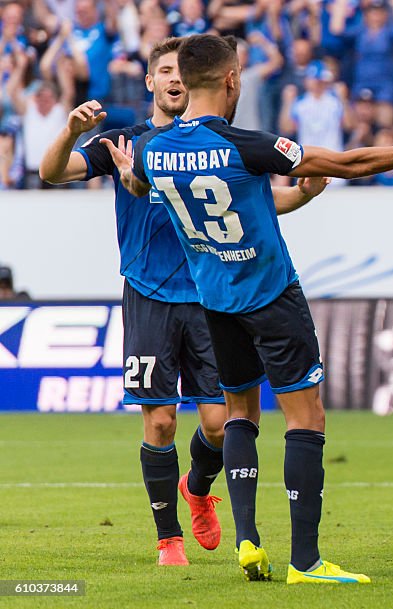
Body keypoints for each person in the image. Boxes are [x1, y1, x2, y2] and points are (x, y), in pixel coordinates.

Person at [105, 33, 393, 584]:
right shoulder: (248, 145)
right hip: (271, 295)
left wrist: (129, 175)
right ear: (231, 80)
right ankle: (306, 560)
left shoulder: (154, 151)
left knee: (239, 416)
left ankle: (249, 540)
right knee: (306, 417)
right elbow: (349, 162)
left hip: (216, 302)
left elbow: (139, 185)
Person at [37, 37, 328, 567]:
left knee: (219, 425)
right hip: (148, 293)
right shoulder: (126, 142)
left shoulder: (215, 142)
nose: (173, 79)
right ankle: (168, 537)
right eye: (163, 71)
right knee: (162, 423)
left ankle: (198, 487)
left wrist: (303, 195)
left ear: (194, 81)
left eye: (180, 71)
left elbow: (252, 209)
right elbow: (52, 173)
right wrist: (72, 132)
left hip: (209, 295)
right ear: (150, 81)